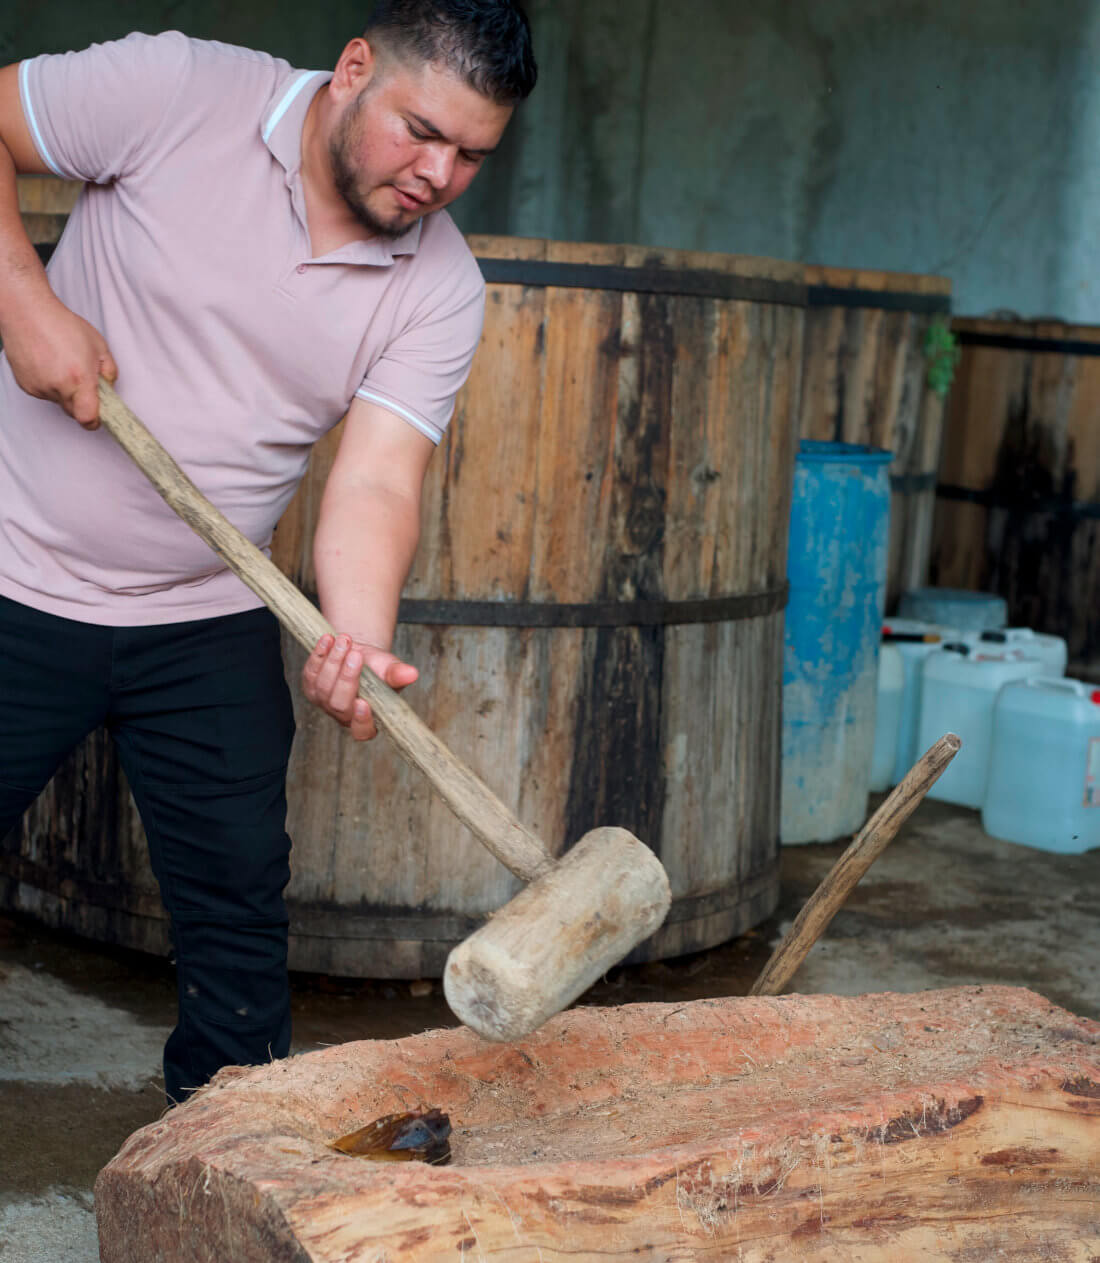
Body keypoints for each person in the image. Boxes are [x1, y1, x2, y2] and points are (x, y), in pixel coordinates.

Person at [0, 1, 536, 1103]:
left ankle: (226, 1157)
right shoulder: (178, 89)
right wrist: (21, 300)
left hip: (202, 606)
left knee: (240, 911)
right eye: (420, 131)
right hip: (13, 568)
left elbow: (378, 478)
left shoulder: (439, 287)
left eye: (471, 155)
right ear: (351, 70)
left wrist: (358, 632)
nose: (437, 174)